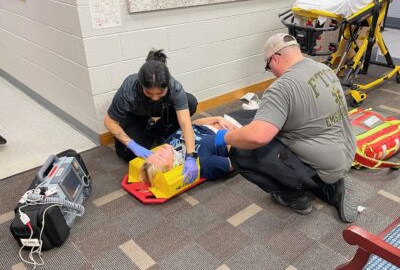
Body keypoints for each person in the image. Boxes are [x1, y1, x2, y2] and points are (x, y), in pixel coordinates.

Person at [215, 33, 358, 223]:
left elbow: (258, 137)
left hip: (321, 167)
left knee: (241, 150)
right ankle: (332, 186)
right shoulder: (324, 69)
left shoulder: (282, 87)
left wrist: (223, 138)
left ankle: (296, 196)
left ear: (275, 58)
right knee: (268, 125)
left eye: (268, 66)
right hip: (347, 153)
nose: (271, 71)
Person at [104, 49, 199, 183]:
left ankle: (159, 129)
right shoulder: (129, 89)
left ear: (167, 85)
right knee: (125, 153)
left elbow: (185, 122)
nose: (155, 98)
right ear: (141, 84)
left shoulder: (175, 88)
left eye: (160, 93)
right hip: (137, 115)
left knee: (190, 102)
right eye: (149, 93)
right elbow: (109, 122)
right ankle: (149, 131)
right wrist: (133, 145)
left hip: (163, 111)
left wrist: (191, 156)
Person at [140, 116, 240, 186]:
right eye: (160, 156)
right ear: (172, 167)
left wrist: (218, 119)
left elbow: (192, 124)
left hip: (220, 120)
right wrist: (237, 133)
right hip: (239, 130)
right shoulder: (202, 163)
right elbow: (237, 161)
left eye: (153, 153)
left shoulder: (170, 142)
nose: (158, 150)